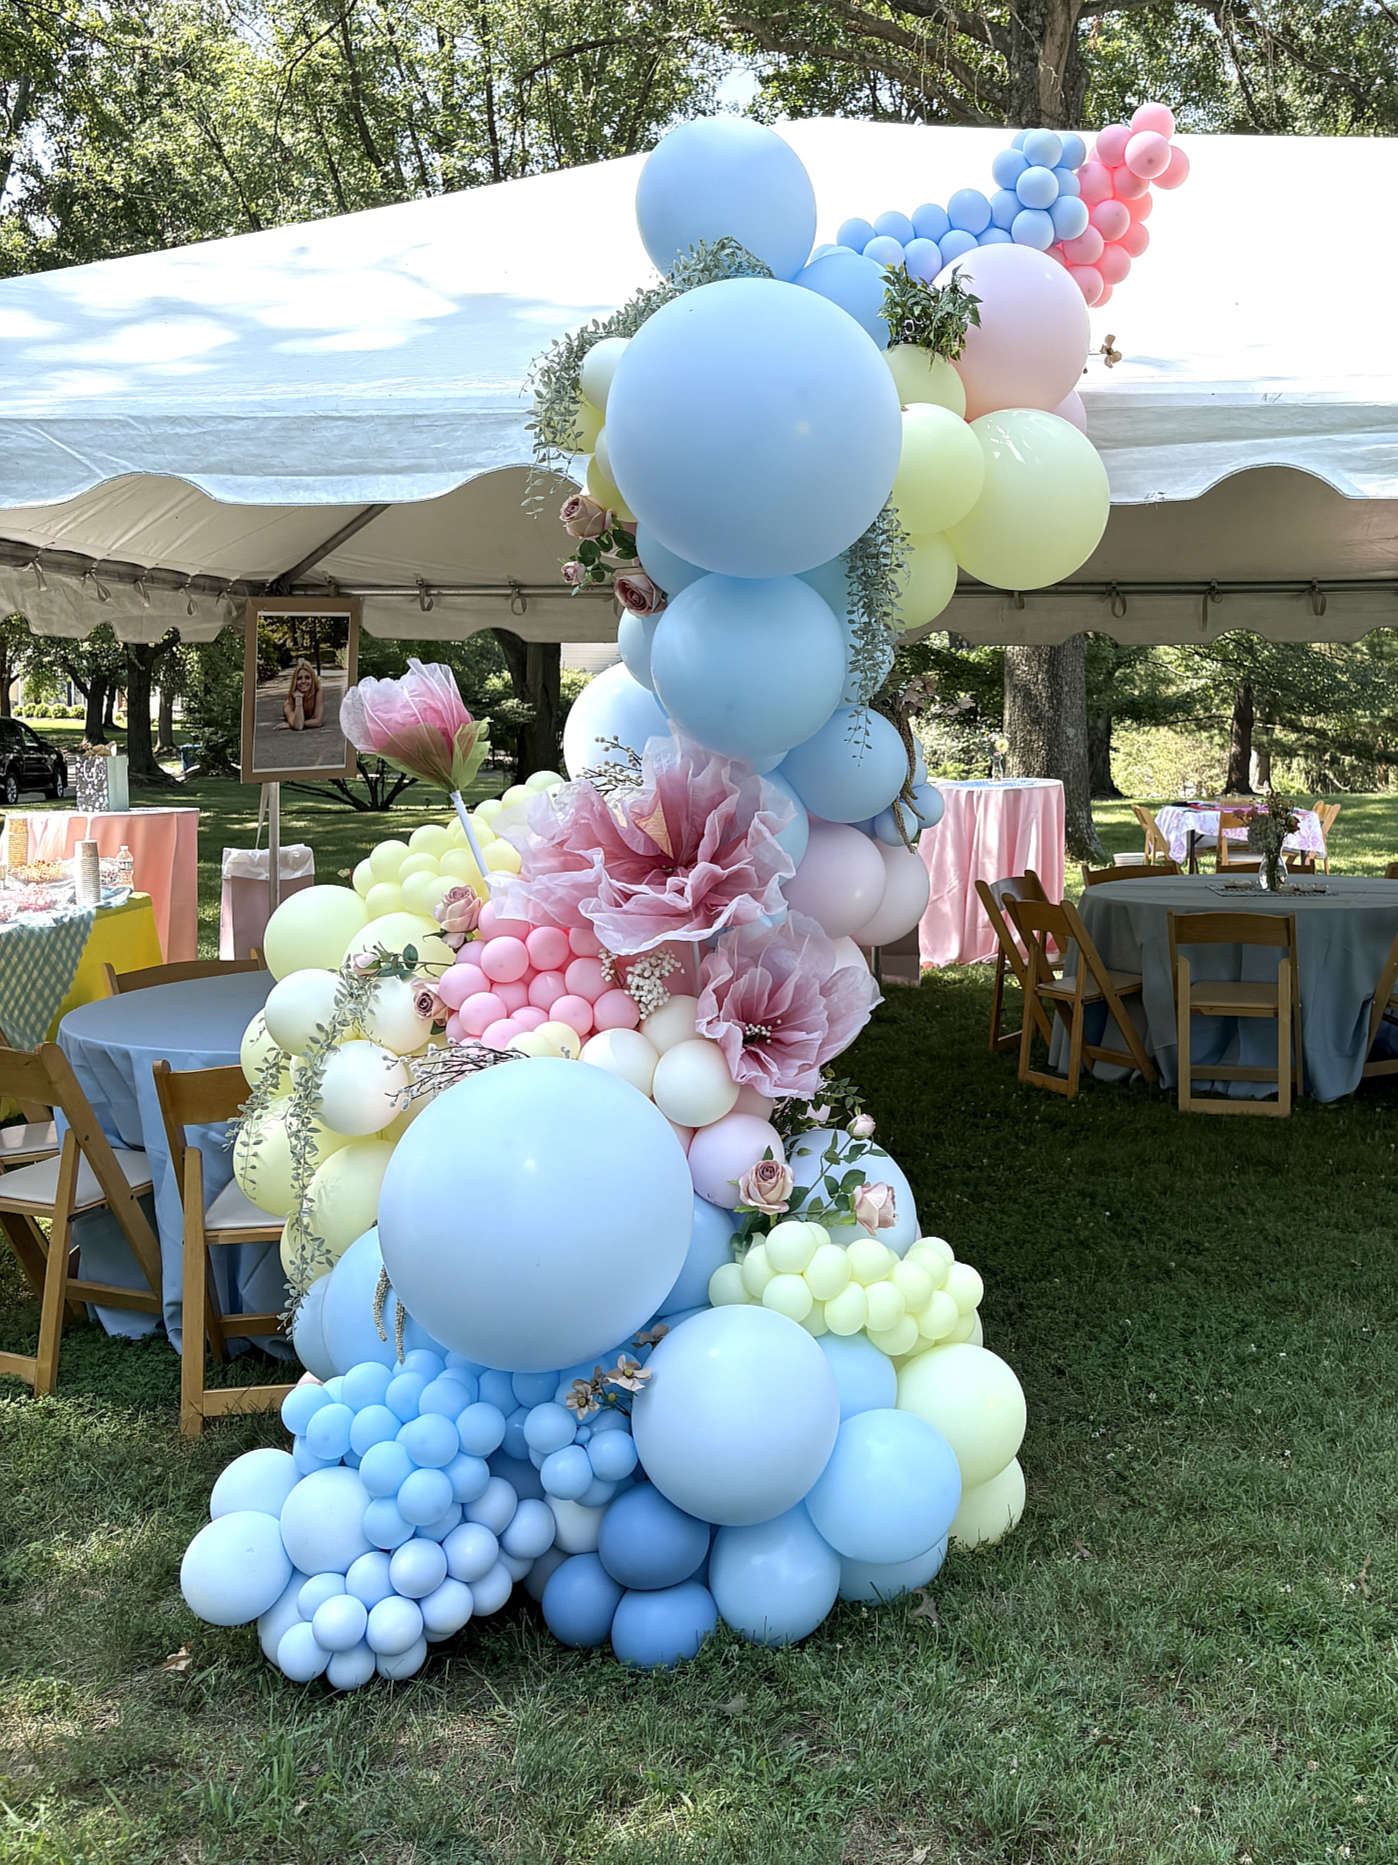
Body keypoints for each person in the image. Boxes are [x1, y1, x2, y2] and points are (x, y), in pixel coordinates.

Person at [280, 660, 324, 731]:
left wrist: (293, 724)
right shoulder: (288, 705)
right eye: (299, 678)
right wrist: (298, 699)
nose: (303, 681)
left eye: (307, 678)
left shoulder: (318, 692)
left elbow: (318, 722)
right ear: (295, 682)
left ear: (312, 679)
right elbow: (298, 727)